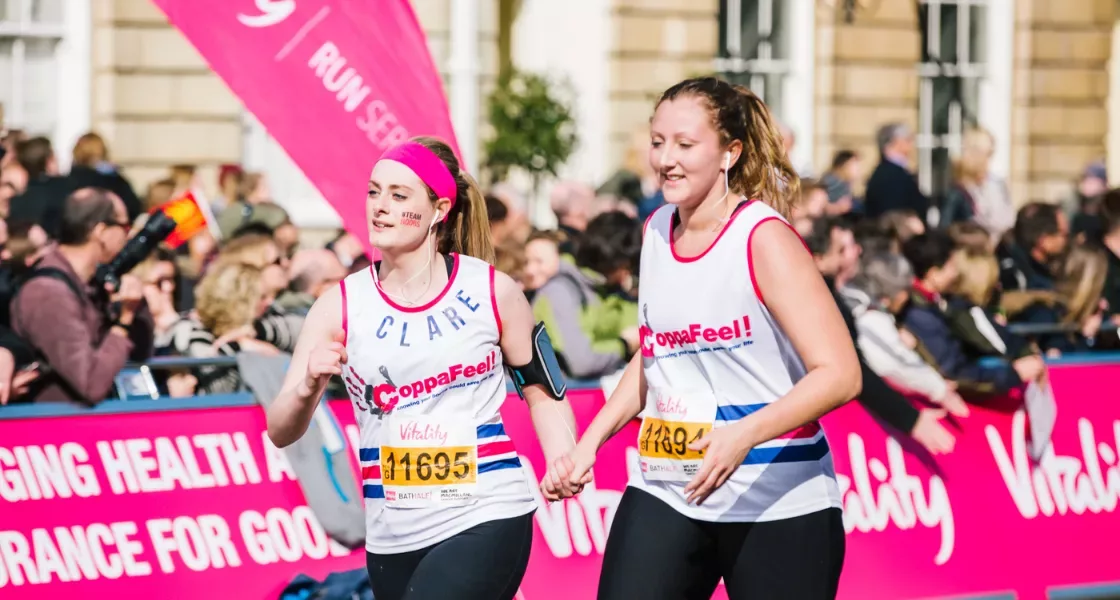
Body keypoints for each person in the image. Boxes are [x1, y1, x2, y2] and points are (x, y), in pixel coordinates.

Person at [544, 77, 860, 599]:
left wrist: (742, 435)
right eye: (657, 141)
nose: (666, 158)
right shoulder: (654, 230)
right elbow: (655, 353)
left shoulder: (764, 238)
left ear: (729, 153)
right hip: (666, 486)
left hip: (774, 497)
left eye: (685, 145)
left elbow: (841, 374)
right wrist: (589, 445)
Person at [265, 137, 580, 600]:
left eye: (399, 195)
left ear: (438, 209)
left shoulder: (493, 291)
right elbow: (280, 430)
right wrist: (309, 384)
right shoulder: (339, 306)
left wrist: (562, 457)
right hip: (392, 533)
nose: (380, 207)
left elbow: (542, 391)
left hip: (485, 511)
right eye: (374, 192)